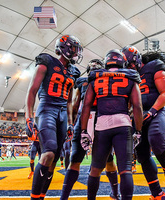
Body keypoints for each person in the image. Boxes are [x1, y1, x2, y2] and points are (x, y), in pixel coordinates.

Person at [80, 49, 143, 200]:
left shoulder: (96, 77)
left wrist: (83, 130)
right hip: (122, 123)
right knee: (125, 170)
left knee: (95, 170)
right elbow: (137, 106)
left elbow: (86, 105)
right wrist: (139, 131)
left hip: (102, 125)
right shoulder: (130, 77)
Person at [25, 34, 82, 200]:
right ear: (64, 48)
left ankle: (41, 196)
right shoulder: (47, 61)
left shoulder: (74, 71)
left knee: (55, 159)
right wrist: (28, 118)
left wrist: (71, 123)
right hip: (47, 109)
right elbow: (32, 91)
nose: (76, 53)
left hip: (63, 113)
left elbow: (70, 101)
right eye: (74, 48)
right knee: (48, 153)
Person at [122, 45, 165, 200]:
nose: (130, 68)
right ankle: (156, 192)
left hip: (158, 110)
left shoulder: (153, 66)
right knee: (141, 154)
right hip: (139, 115)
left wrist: (153, 111)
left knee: (157, 141)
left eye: (131, 64)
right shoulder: (128, 76)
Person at [60, 59, 121, 200]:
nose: (93, 66)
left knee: (106, 160)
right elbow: (75, 105)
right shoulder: (88, 81)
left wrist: (72, 123)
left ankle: (115, 193)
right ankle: (115, 193)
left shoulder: (93, 81)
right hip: (92, 119)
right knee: (79, 159)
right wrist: (72, 124)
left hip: (96, 119)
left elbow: (75, 105)